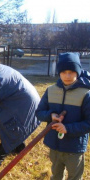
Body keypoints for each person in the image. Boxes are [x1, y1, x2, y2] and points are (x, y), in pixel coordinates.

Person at [36, 52, 90, 180]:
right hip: (54, 144)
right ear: (59, 72)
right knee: (56, 175)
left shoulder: (85, 94)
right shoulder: (51, 90)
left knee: (74, 176)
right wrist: (51, 115)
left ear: (77, 72)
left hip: (74, 147)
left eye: (71, 72)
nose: (67, 75)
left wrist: (68, 129)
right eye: (64, 72)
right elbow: (39, 113)